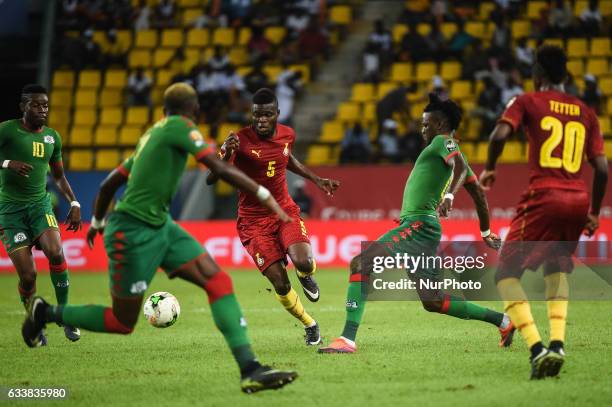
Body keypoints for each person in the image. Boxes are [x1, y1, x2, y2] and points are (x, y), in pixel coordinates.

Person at [21, 83, 298, 394]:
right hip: (132, 231)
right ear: (193, 112)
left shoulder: (152, 135)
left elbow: (110, 184)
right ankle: (45, 312)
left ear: (164, 111)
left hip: (161, 226)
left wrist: (97, 221)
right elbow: (217, 166)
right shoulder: (180, 127)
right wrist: (264, 195)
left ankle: (250, 369)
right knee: (121, 322)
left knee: (218, 281)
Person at [320, 94, 513, 354]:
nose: (423, 129)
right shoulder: (457, 158)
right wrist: (486, 231)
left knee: (361, 262)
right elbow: (479, 195)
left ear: (441, 124)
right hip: (421, 225)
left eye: (427, 124)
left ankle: (347, 339)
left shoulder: (442, 142)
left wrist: (448, 196)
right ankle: (503, 321)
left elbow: (455, 165)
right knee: (433, 301)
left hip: (420, 225)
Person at [479, 45, 608, 379]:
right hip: (579, 198)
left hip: (545, 194)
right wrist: (594, 210)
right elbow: (603, 168)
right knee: (556, 266)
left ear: (537, 75)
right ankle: (558, 344)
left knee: (505, 275)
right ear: (565, 75)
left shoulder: (527, 101)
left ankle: (537, 349)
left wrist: (490, 167)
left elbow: (500, 133)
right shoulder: (586, 112)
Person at [206, 88, 340, 346]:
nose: (261, 120)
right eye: (257, 115)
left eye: (267, 114)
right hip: (253, 222)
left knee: (303, 260)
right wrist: (225, 153)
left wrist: (316, 178)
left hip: (283, 210)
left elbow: (286, 158)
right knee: (279, 281)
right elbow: (211, 179)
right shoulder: (240, 141)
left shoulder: (288, 134)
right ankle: (310, 324)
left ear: (277, 114)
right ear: (252, 115)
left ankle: (306, 274)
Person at [0, 84, 82, 344]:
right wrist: (6, 163)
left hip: (40, 206)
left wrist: (74, 203)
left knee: (56, 251)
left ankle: (64, 315)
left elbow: (58, 176)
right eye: (37, 105)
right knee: (28, 275)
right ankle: (35, 322)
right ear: (23, 106)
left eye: (46, 105)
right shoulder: (7, 130)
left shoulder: (52, 138)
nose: (43, 109)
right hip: (10, 211)